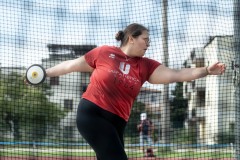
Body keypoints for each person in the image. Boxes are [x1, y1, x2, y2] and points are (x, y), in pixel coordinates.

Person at [41, 23, 226, 160]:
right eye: (145, 39)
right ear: (131, 38)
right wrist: (43, 73)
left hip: (117, 123)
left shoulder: (146, 66)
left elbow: (177, 74)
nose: (148, 44)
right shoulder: (104, 53)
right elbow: (69, 66)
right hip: (92, 114)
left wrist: (206, 71)